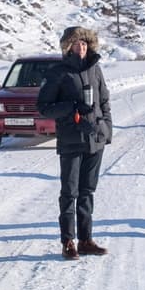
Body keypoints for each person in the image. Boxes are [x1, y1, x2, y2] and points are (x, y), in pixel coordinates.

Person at [37, 26, 113, 260]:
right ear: (68, 47)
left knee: (87, 192)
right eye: (77, 43)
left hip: (95, 140)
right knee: (69, 192)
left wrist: (106, 130)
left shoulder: (95, 69)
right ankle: (68, 241)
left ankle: (86, 240)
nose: (81, 47)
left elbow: (104, 101)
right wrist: (71, 107)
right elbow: (44, 107)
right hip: (71, 140)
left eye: (84, 43)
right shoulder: (58, 72)